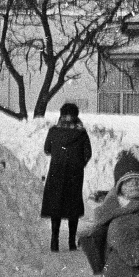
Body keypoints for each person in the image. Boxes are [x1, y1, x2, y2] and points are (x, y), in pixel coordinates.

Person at [40, 102, 92, 252]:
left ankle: (54, 241)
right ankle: (71, 242)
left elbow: (47, 149)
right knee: (72, 207)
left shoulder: (53, 131)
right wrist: (78, 163)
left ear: (61, 115)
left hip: (56, 172)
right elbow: (87, 153)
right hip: (74, 174)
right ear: (76, 116)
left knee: (56, 205)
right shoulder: (81, 134)